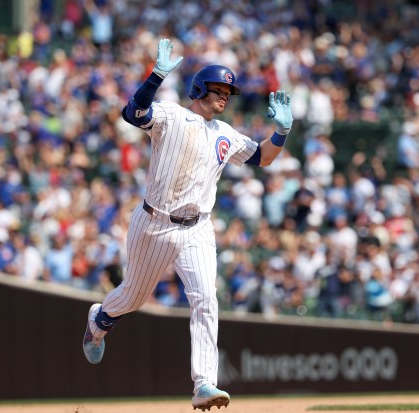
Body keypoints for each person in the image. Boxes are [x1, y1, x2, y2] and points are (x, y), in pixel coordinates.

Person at [81, 38, 293, 411]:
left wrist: (281, 133)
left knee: (205, 297)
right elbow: (133, 113)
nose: (224, 95)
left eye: (229, 90)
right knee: (133, 297)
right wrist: (157, 75)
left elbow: (263, 157)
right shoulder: (172, 115)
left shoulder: (225, 132)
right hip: (154, 222)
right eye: (218, 89)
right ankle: (99, 319)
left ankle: (204, 384)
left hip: (197, 226)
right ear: (199, 89)